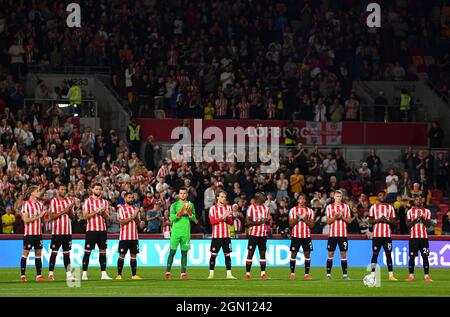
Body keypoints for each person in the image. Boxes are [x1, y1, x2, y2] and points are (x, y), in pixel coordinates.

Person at [165, 187, 198, 279]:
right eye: (181, 193)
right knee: (172, 252)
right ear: (179, 194)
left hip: (186, 231)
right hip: (176, 232)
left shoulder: (191, 205)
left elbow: (194, 219)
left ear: (187, 194)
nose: (183, 195)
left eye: (184, 193)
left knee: (184, 253)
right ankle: (168, 272)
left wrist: (189, 212)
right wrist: (183, 209)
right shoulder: (174, 205)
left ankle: (183, 273)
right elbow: (172, 218)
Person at [81, 183, 112, 280]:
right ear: (92, 190)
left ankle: (103, 274)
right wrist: (96, 211)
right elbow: (85, 216)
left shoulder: (105, 202)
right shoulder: (88, 201)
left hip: (102, 230)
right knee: (87, 252)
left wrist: (103, 212)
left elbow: (108, 217)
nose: (98, 191)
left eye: (100, 189)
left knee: (103, 251)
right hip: (91, 230)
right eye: (96, 189)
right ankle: (84, 274)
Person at [48, 184, 75, 281]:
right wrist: (64, 211)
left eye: (65, 189)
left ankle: (68, 274)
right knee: (54, 253)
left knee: (67, 254)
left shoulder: (69, 201)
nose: (63, 191)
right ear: (58, 191)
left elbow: (73, 218)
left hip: (67, 232)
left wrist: (70, 211)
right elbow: (52, 216)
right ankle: (51, 274)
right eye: (61, 189)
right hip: (57, 231)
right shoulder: (54, 201)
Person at [207, 190, 237, 279]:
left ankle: (229, 274)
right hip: (217, 236)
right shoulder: (213, 208)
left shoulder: (228, 208)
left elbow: (231, 222)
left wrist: (227, 218)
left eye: (225, 197)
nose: (224, 198)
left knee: (227, 255)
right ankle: (211, 274)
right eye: (222, 196)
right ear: (217, 197)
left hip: (226, 236)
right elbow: (212, 222)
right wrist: (223, 217)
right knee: (213, 255)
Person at [368, 191, 398, 281]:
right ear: (378, 197)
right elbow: (370, 221)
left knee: (388, 254)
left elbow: (393, 221)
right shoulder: (373, 207)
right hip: (376, 235)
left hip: (387, 235)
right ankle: (372, 274)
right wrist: (379, 220)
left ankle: (391, 275)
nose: (381, 196)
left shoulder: (390, 207)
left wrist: (386, 221)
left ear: (385, 197)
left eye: (382, 195)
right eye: (379, 195)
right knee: (375, 254)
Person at [20, 186, 47, 282]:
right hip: (29, 233)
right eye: (37, 191)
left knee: (38, 254)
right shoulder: (26, 204)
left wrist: (44, 216)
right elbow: (26, 220)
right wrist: (39, 216)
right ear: (32, 193)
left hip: (38, 233)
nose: (39, 193)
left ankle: (39, 275)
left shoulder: (39, 204)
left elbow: (42, 219)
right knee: (25, 254)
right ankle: (23, 275)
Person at [325, 190, 352, 280]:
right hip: (332, 234)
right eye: (337, 196)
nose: (339, 198)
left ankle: (345, 275)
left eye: (340, 196)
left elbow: (349, 221)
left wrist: (342, 217)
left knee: (343, 254)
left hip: (343, 234)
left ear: (342, 197)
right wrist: (335, 217)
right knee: (330, 253)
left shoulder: (346, 207)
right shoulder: (329, 207)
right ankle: (328, 274)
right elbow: (328, 221)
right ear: (334, 197)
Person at [245, 192, 271, 279]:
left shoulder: (266, 208)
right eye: (263, 196)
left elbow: (268, 222)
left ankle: (263, 273)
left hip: (263, 234)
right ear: (258, 197)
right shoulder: (251, 207)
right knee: (250, 253)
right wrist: (261, 222)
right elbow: (248, 222)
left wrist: (267, 221)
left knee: (263, 254)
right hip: (253, 234)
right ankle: (247, 274)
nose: (265, 197)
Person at [406, 196, 433, 282]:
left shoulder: (427, 211)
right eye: (417, 200)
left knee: (425, 256)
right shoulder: (410, 211)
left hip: (424, 238)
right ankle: (411, 276)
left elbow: (428, 225)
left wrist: (422, 218)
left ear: (422, 201)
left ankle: (426, 276)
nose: (418, 201)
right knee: (412, 256)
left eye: (420, 200)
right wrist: (415, 219)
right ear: (414, 202)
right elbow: (408, 225)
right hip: (413, 237)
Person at [288, 194, 314, 280]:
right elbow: (290, 224)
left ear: (305, 200)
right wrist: (298, 218)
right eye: (300, 199)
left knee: (307, 254)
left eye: (303, 199)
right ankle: (292, 273)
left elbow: (312, 225)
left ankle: (306, 274)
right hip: (296, 235)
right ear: (298, 200)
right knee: (294, 254)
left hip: (306, 236)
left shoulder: (310, 211)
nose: (302, 200)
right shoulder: (293, 210)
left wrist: (304, 219)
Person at [116, 192, 141, 280]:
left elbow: (139, 224)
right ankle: (119, 274)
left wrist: (137, 217)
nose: (131, 199)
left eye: (132, 198)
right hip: (124, 237)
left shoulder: (135, 209)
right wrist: (133, 216)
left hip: (134, 236)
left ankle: (134, 275)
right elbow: (122, 221)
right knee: (122, 255)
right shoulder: (121, 208)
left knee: (133, 255)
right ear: (125, 198)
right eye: (129, 197)